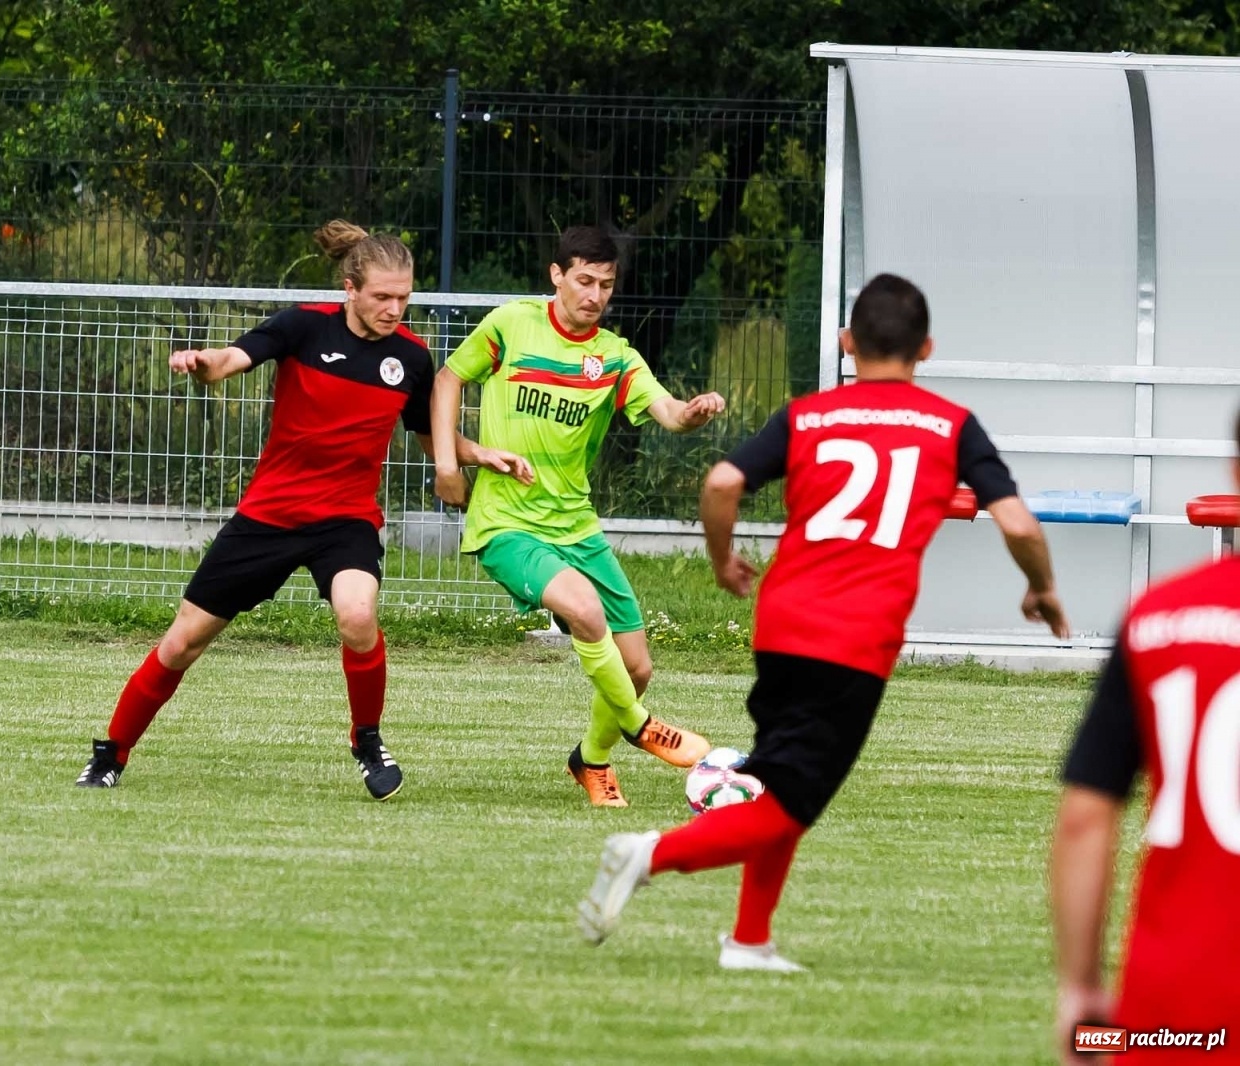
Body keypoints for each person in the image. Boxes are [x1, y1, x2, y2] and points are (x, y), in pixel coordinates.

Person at [577, 273, 1070, 969]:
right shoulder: (951, 424)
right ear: (925, 348)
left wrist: (722, 561)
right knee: (791, 804)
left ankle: (749, 941)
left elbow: (722, 482)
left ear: (846, 343)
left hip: (781, 626)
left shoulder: (809, 415)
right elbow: (1017, 521)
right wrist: (1041, 588)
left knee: (783, 782)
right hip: (853, 640)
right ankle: (649, 855)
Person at [76, 220, 528, 800]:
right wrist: (204, 364)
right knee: (182, 643)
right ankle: (111, 753)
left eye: (403, 297)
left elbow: (428, 436)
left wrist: (479, 454)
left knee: (358, 616)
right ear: (350, 289)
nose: (395, 309)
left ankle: (367, 739)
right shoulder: (302, 325)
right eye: (383, 297)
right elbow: (236, 356)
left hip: (346, 521)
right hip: (270, 515)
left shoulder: (412, 357)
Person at [430, 225, 726, 808]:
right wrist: (448, 464)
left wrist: (692, 413)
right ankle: (643, 729)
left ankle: (590, 762)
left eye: (606, 285)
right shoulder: (512, 325)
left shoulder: (615, 357)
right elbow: (447, 380)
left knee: (635, 664)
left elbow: (665, 411)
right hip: (506, 523)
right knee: (585, 611)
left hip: (577, 526)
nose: (594, 295)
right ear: (557, 275)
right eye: (584, 280)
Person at [1051, 416, 1240, 1063]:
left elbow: (1086, 816)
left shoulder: (1159, 618)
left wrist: (1080, 989)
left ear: (1235, 474)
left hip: (1177, 1015)